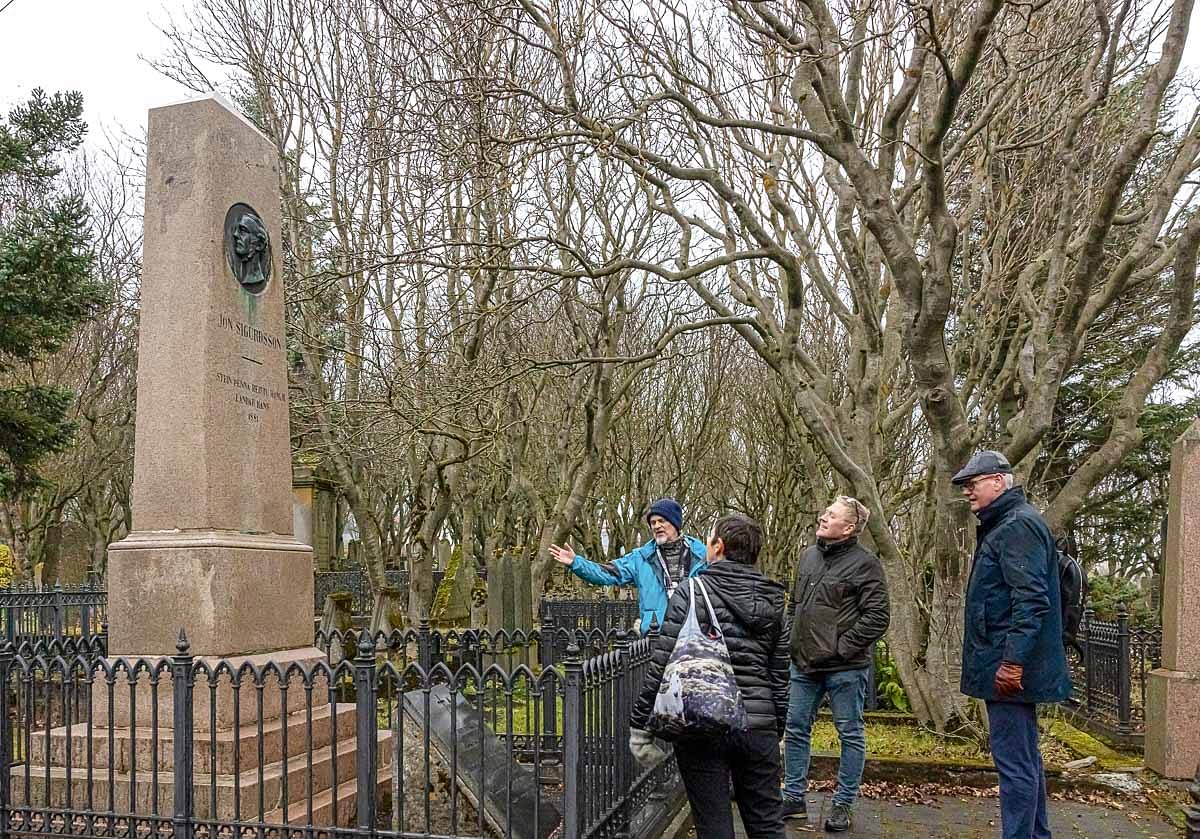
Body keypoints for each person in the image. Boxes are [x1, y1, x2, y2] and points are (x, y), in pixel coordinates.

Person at [628, 513, 790, 839]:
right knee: (767, 823)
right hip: (758, 727)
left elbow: (662, 663)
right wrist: (777, 728)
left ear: (718, 546)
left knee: (713, 824)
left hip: (702, 722)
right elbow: (780, 676)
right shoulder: (774, 599)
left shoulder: (691, 591)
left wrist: (640, 727)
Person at [954, 451, 1071, 839]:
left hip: (1008, 669)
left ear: (999, 482)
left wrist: (1013, 663)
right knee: (1024, 760)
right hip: (1004, 663)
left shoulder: (1016, 526)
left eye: (974, 484)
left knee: (1015, 766)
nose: (968, 492)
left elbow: (1032, 600)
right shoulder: (1008, 523)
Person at [782, 496, 890, 833]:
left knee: (850, 733)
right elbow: (794, 604)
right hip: (803, 664)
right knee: (796, 727)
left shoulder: (866, 564)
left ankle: (843, 803)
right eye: (825, 512)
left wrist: (841, 648)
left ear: (849, 527)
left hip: (846, 668)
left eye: (831, 514)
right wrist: (790, 639)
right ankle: (793, 797)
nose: (823, 516)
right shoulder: (808, 556)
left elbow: (878, 617)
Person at [548, 497, 707, 634]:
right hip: (656, 637)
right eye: (653, 522)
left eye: (662, 521)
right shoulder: (641, 558)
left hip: (695, 634)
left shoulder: (701, 555)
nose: (656, 526)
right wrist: (576, 562)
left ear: (675, 523)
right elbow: (606, 573)